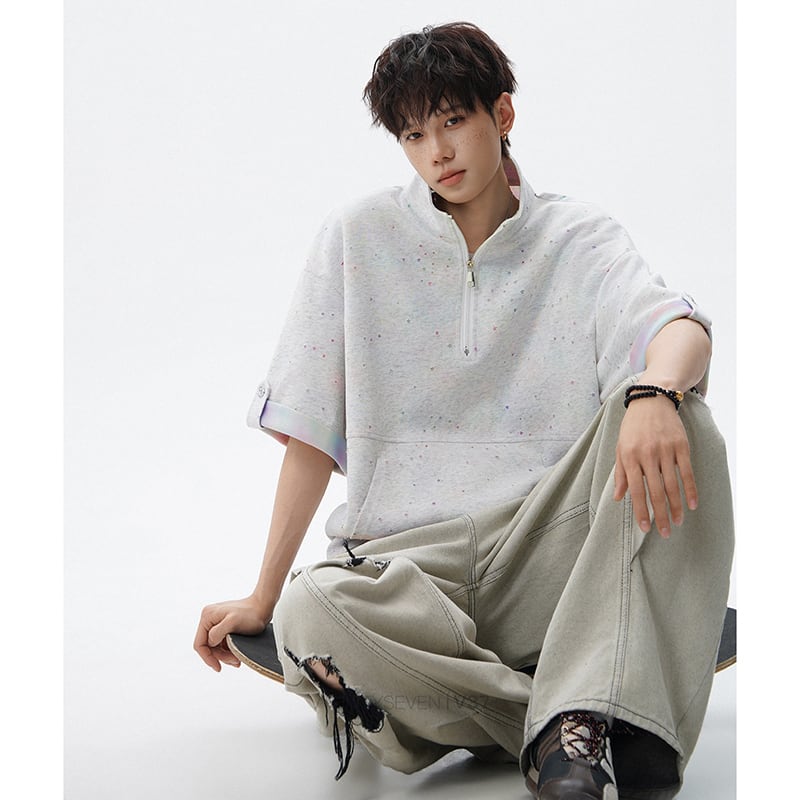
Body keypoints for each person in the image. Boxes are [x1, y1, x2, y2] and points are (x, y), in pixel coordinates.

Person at [194, 22, 734, 800]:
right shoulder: (356, 238)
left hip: (545, 558)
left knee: (684, 420)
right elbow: (310, 437)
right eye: (415, 135)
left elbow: (678, 329)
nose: (438, 152)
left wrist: (654, 393)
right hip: (404, 575)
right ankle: (584, 713)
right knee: (311, 611)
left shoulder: (577, 238)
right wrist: (264, 595)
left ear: (502, 115)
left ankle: (476, 703)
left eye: (453, 121)